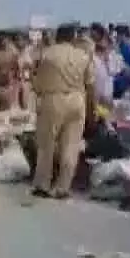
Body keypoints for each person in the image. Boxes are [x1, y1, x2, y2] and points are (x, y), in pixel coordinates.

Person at [30, 23, 95, 199]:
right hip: (77, 100)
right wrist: (92, 110)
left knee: (47, 145)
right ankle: (62, 187)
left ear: (57, 36)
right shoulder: (83, 56)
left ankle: (43, 184)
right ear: (73, 37)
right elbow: (90, 85)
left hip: (53, 99)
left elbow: (37, 81)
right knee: (71, 146)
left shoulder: (47, 54)